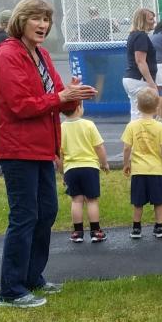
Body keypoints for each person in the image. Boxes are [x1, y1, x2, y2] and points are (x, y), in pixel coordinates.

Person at [0, 0, 97, 308]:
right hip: (17, 148)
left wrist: (74, 95)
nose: (42, 25)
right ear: (21, 21)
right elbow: (20, 105)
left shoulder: (42, 54)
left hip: (41, 148)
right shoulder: (7, 55)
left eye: (46, 19)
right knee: (24, 215)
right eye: (36, 18)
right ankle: (10, 291)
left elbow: (58, 100)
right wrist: (61, 97)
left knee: (47, 211)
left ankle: (31, 277)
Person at [121, 88, 162, 239]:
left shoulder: (132, 126)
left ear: (137, 106)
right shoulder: (160, 127)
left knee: (138, 202)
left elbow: (126, 148)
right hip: (156, 170)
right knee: (158, 201)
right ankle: (159, 227)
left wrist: (126, 164)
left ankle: (136, 228)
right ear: (157, 107)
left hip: (138, 171)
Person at [60, 102, 109, 243]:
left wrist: (62, 172)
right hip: (89, 168)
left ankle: (77, 232)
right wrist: (104, 163)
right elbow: (99, 147)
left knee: (76, 200)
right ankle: (95, 231)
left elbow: (60, 153)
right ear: (79, 108)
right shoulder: (89, 125)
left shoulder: (61, 128)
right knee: (92, 200)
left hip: (71, 169)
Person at [122, 8, 158, 121]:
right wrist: (151, 83)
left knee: (136, 113)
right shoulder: (141, 36)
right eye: (151, 19)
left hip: (133, 79)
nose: (154, 21)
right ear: (142, 21)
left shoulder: (134, 35)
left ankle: (134, 132)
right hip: (139, 80)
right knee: (144, 114)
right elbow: (140, 61)